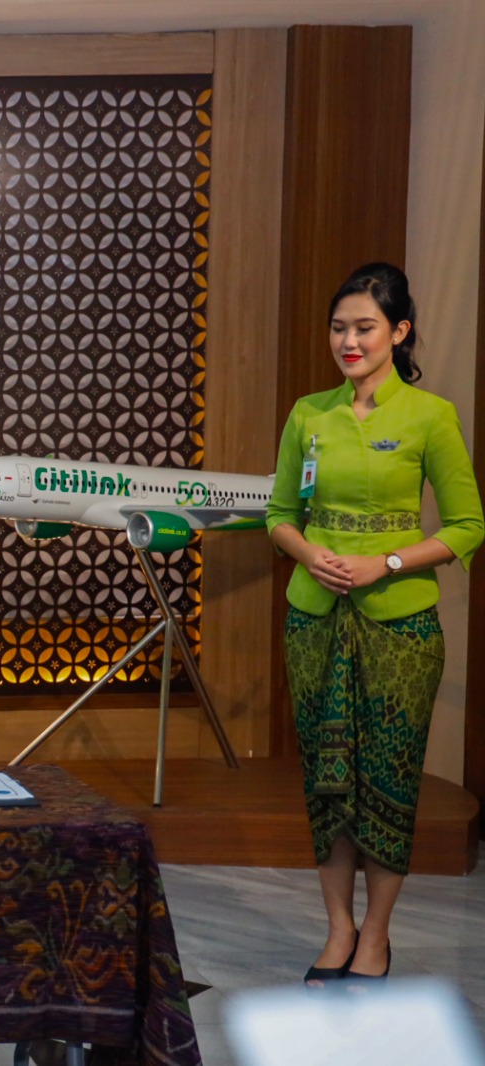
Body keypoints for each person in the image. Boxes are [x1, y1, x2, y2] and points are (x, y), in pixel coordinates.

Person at [266, 262, 483, 986]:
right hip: (314, 621)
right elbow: (280, 516)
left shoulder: (430, 415)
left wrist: (383, 563)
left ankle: (377, 938)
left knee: (387, 780)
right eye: (339, 328)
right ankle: (338, 929)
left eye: (365, 327)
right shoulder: (309, 414)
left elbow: (467, 526)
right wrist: (312, 554)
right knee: (327, 784)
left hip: (400, 628)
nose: (349, 341)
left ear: (399, 331)